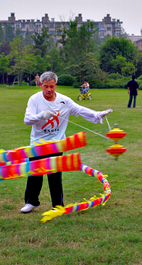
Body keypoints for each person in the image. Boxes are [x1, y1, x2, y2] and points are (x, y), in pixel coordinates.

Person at [21, 72, 113, 213]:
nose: (49, 90)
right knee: (34, 174)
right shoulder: (34, 100)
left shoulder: (64, 101)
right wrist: (41, 116)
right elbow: (27, 120)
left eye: (52, 86)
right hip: (37, 144)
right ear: (41, 85)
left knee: (55, 176)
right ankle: (31, 202)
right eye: (46, 86)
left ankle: (58, 205)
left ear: (56, 85)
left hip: (56, 144)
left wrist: (96, 114)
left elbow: (80, 110)